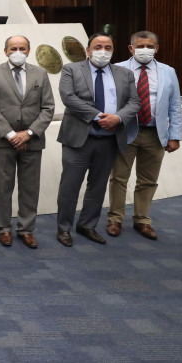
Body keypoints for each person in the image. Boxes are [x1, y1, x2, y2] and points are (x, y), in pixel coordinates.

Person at [55, 33, 140, 247]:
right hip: (78, 139)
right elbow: (68, 97)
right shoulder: (71, 70)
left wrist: (118, 118)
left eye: (108, 47)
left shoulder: (125, 73)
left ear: (113, 50)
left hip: (109, 139)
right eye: (98, 46)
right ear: (88, 50)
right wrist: (97, 116)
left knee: (98, 186)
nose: (103, 51)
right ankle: (64, 228)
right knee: (70, 186)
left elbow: (134, 102)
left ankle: (87, 225)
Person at [107, 31, 182, 240]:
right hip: (125, 132)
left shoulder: (168, 72)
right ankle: (115, 218)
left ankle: (142, 219)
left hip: (155, 134)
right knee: (118, 178)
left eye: (149, 46)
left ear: (156, 49)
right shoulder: (117, 69)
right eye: (140, 46)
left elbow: (175, 106)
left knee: (148, 180)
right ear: (131, 48)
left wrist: (175, 135)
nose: (145, 50)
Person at [0, 35, 55, 249]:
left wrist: (29, 133)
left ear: (28, 50)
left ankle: (26, 229)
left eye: (22, 48)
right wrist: (12, 135)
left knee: (30, 188)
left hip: (33, 141)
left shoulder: (40, 74)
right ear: (5, 51)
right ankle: (3, 228)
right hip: (3, 142)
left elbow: (48, 108)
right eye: (13, 48)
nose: (18, 51)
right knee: (3, 187)